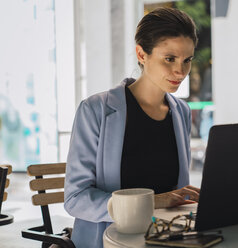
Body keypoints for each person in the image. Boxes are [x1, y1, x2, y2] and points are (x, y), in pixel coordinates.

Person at [64, 8, 200, 248]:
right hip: (109, 241)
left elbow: (175, 194)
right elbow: (75, 199)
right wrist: (154, 201)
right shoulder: (95, 110)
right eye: (170, 59)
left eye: (187, 60)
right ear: (141, 54)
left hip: (167, 238)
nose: (181, 71)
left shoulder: (181, 112)